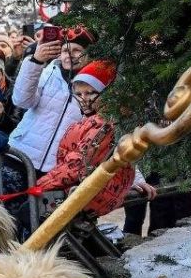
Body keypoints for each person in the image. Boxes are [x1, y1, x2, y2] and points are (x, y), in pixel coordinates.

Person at [34, 61, 152, 217]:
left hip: (88, 190)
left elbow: (79, 163)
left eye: (90, 93)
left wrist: (40, 186)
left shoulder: (103, 124)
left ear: (107, 93)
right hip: (83, 186)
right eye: (78, 94)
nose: (84, 99)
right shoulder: (92, 119)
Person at [7, 26, 93, 174]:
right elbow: (21, 101)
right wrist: (35, 62)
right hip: (21, 157)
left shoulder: (95, 85)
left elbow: (111, 131)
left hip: (58, 169)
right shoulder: (47, 72)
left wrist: (136, 180)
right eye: (65, 50)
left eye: (77, 50)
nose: (69, 55)